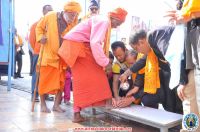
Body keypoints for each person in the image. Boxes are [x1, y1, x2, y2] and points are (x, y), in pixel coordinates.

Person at [58, 7, 128, 122]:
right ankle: (107, 103)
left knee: (84, 79)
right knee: (98, 75)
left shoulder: (102, 19)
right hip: (77, 47)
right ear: (114, 18)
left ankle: (87, 109)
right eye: (119, 23)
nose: (117, 26)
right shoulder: (104, 21)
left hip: (78, 47)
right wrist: (106, 63)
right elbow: (95, 43)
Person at [120, 28, 187, 112]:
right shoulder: (150, 48)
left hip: (183, 72)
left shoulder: (158, 37)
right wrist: (126, 74)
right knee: (171, 106)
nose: (138, 52)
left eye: (136, 49)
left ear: (141, 42)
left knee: (183, 105)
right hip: (172, 76)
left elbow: (176, 58)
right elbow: (142, 62)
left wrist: (182, 82)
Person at [35, 0, 81, 113]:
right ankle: (42, 105)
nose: (73, 16)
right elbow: (39, 28)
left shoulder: (74, 22)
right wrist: (41, 38)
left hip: (62, 58)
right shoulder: (50, 16)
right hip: (48, 56)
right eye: (71, 14)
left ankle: (56, 105)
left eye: (75, 14)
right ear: (65, 11)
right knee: (43, 81)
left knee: (61, 82)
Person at [165, 0, 200, 130]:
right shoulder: (182, 28)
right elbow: (182, 53)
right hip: (191, 69)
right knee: (190, 110)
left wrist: (190, 14)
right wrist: (182, 80)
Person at [29, 5, 53, 102]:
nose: (50, 13)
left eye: (51, 11)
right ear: (43, 12)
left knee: (47, 75)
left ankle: (45, 95)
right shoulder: (36, 24)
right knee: (36, 74)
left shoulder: (53, 25)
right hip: (38, 52)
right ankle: (34, 95)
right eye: (48, 11)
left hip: (49, 54)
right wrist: (37, 47)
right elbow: (32, 40)